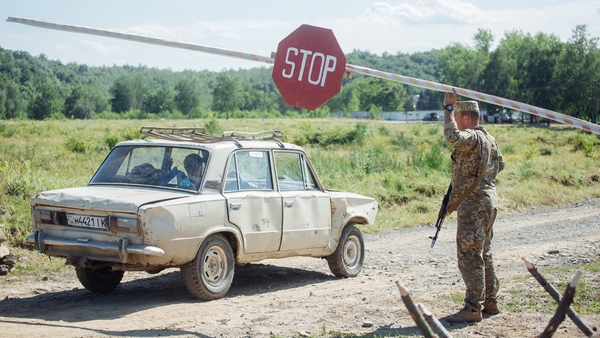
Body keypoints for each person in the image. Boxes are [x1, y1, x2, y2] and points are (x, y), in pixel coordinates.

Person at [442, 89, 505, 323]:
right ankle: (491, 300)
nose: (455, 123)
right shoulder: (490, 139)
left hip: (474, 207)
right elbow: (501, 165)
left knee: (469, 255)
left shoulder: (471, 136)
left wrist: (448, 109)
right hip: (489, 203)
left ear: (466, 118)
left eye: (457, 118)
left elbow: (453, 138)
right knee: (484, 253)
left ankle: (472, 308)